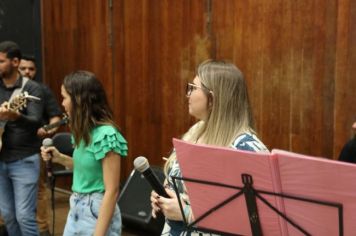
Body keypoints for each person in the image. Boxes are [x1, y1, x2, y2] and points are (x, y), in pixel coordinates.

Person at [150, 60, 269, 235]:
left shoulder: (247, 148)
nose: (187, 94)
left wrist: (189, 214)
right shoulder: (196, 131)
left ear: (212, 98)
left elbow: (257, 220)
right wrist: (163, 196)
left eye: (193, 88)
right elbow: (180, 188)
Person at [41, 70, 128, 235]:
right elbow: (87, 168)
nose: (63, 103)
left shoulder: (106, 134)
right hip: (77, 205)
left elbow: (112, 190)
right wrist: (59, 158)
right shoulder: (83, 131)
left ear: (78, 100)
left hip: (96, 208)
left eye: (65, 97)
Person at [0, 41, 44, 236]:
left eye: (1, 61)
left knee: (25, 215)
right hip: (1, 159)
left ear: (15, 62)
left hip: (24, 159)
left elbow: (35, 122)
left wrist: (15, 116)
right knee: (8, 215)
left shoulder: (32, 88)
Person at [19, 55, 62, 236]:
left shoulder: (42, 90)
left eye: (31, 68)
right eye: (24, 68)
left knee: (38, 190)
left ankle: (42, 230)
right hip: (7, 149)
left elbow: (56, 117)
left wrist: (48, 128)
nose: (28, 71)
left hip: (34, 149)